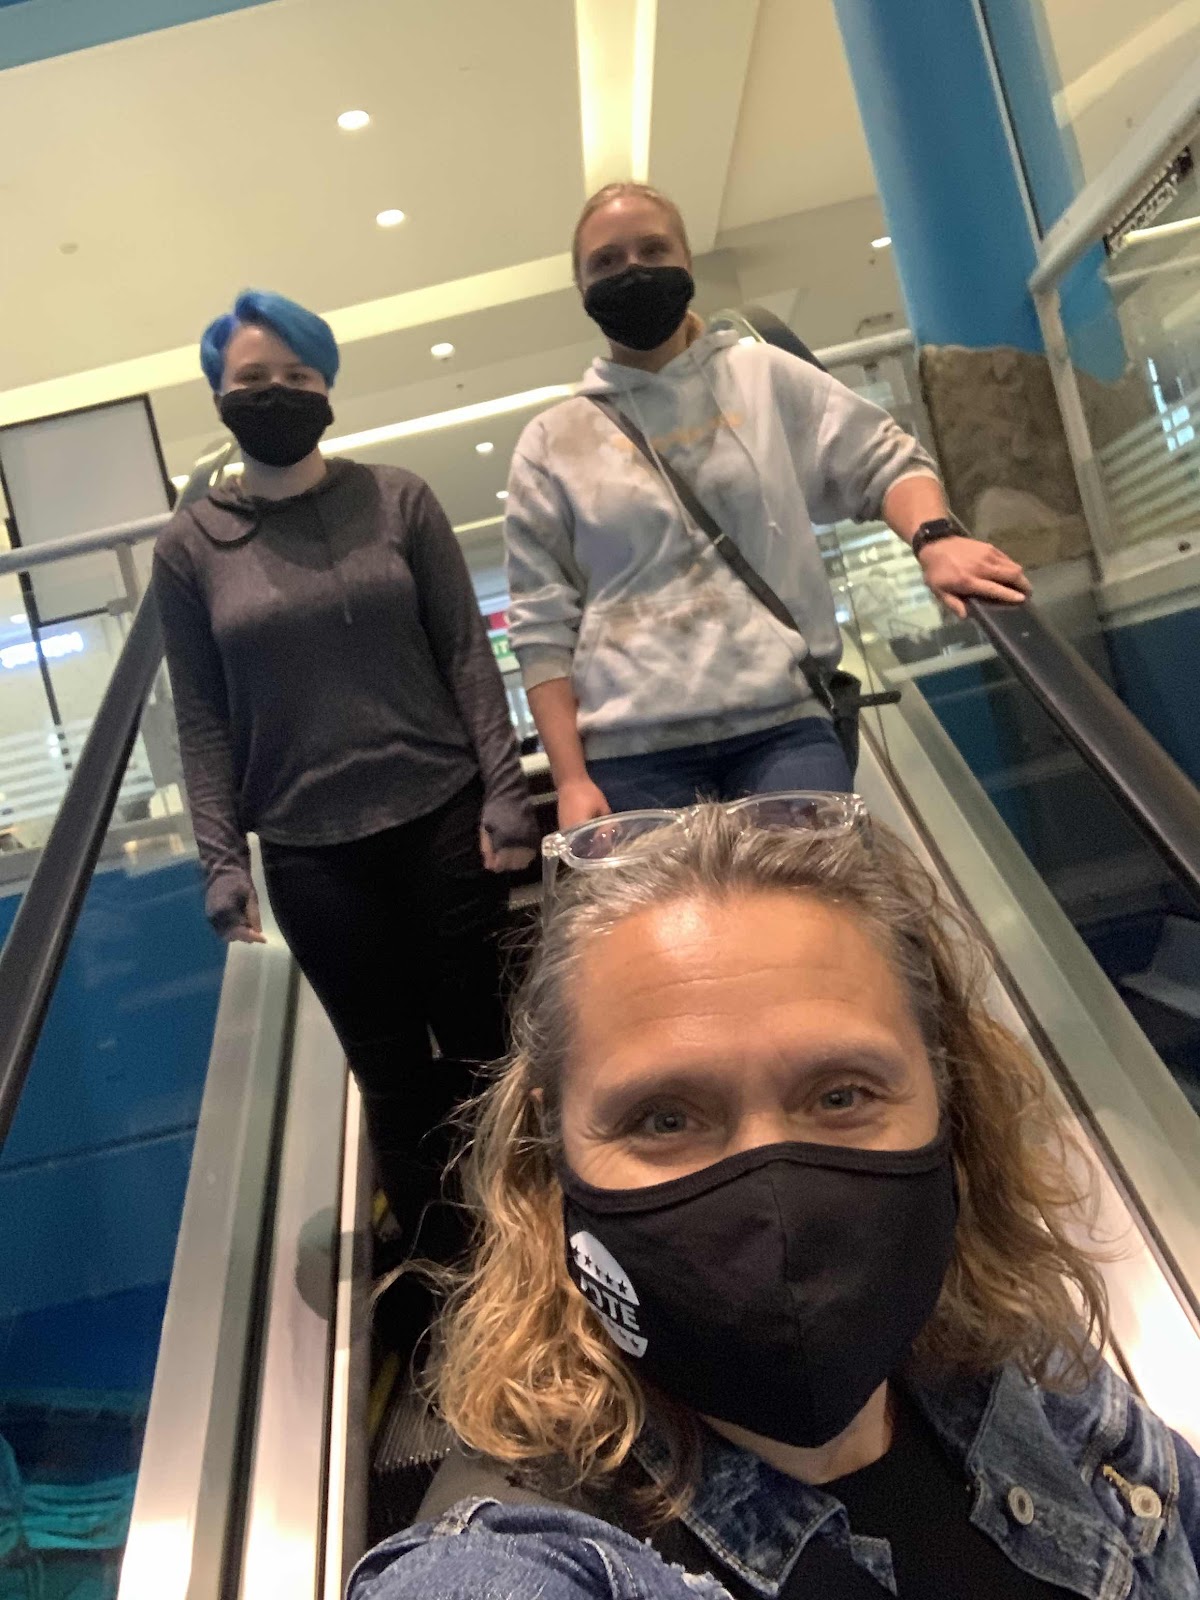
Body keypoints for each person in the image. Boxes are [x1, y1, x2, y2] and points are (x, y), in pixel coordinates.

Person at [349, 798, 1200, 1599]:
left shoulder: (1032, 1377)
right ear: (551, 1154)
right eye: (664, 1117)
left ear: (950, 1100)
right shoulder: (512, 1559)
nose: (772, 1189)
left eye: (841, 1095)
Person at [153, 289, 537, 1228]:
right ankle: (447, 1271)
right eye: (253, 378)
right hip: (309, 855)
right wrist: (220, 863)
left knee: (490, 1056)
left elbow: (465, 652)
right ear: (218, 396)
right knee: (393, 1079)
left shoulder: (399, 499)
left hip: (443, 821)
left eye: (297, 374)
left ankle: (534, 1250)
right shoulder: (189, 548)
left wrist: (505, 793)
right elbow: (201, 719)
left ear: (327, 385)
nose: (275, 392)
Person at [504, 182, 1031, 828]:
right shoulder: (552, 441)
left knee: (814, 892)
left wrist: (935, 538)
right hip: (632, 754)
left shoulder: (759, 375)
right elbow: (541, 626)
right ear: (582, 288)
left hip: (782, 729)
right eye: (607, 262)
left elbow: (881, 458)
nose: (633, 271)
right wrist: (570, 779)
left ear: (686, 261)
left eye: (653, 250)